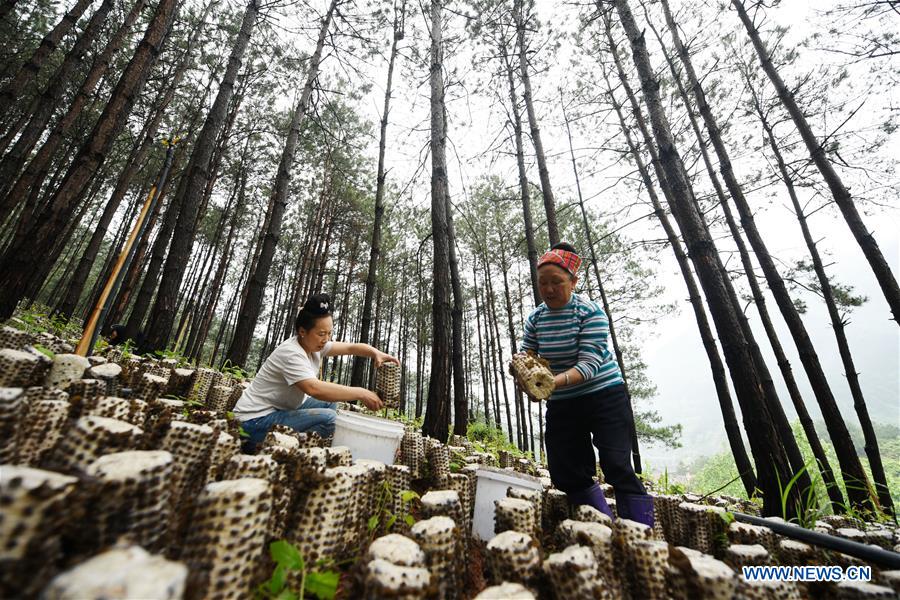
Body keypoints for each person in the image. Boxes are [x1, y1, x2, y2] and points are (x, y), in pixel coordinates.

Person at [516, 242, 653, 527]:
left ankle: (641, 533)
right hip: (563, 402)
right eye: (543, 283)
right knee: (566, 468)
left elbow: (588, 365)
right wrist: (525, 378)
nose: (549, 289)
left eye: (556, 282)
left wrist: (549, 383)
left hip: (604, 396)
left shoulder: (590, 313)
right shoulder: (536, 318)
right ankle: (599, 527)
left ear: (574, 281)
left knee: (616, 464)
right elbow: (526, 354)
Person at [234, 292, 399, 451]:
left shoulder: (314, 346)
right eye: (321, 334)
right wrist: (361, 393)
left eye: (329, 333)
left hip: (278, 410)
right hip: (253, 422)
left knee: (329, 403)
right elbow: (314, 389)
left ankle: (297, 442)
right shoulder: (291, 353)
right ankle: (282, 449)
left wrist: (375, 353)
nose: (326, 339)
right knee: (330, 419)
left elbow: (350, 347)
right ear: (302, 331)